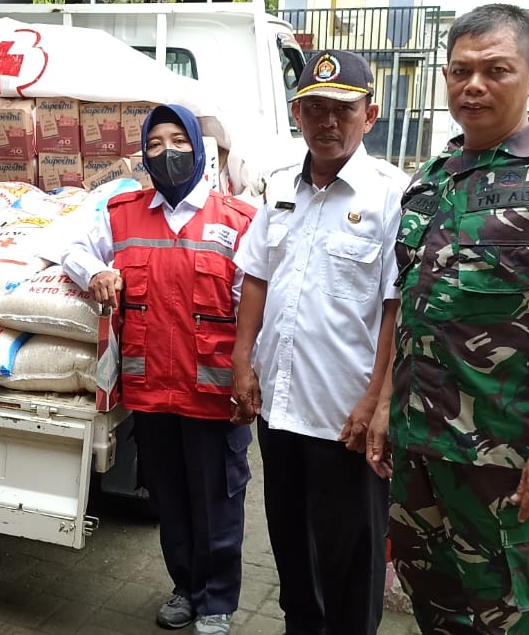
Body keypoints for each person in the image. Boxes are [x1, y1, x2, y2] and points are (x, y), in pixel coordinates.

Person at [365, 3, 529, 635]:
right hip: (420, 450)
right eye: (460, 70)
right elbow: (409, 308)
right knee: (435, 608)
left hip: (504, 460)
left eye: (495, 70)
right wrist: (382, 406)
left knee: (513, 616)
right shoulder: (428, 183)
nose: (473, 84)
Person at [64, 104, 258, 635]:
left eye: (178, 140)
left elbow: (256, 310)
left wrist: (250, 378)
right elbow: (71, 247)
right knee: (169, 501)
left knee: (217, 500)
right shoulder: (122, 212)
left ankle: (217, 600)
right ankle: (185, 587)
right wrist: (97, 270)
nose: (167, 152)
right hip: (150, 392)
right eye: (154, 144)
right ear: (142, 155)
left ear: (200, 149)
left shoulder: (238, 220)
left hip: (213, 395)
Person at [231, 50, 407, 635]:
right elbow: (256, 275)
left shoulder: (390, 196)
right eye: (313, 109)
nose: (328, 123)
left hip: (344, 420)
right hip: (279, 413)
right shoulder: (282, 187)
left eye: (343, 109)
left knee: (351, 565)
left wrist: (376, 401)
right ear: (295, 115)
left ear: (370, 114)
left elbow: (394, 307)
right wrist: (241, 361)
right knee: (291, 553)